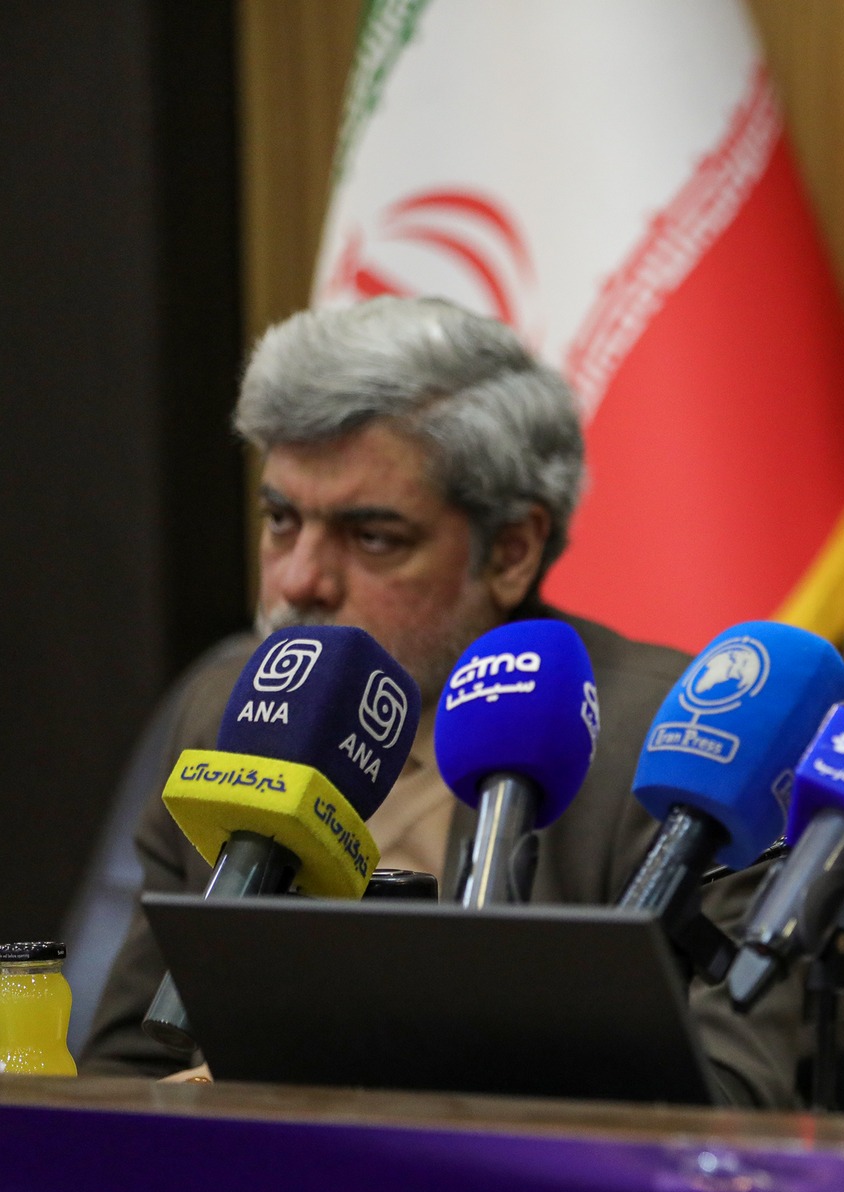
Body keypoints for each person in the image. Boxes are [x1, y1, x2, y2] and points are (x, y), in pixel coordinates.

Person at [81, 297, 802, 1108]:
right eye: (281, 519)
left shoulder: (687, 744)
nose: (299, 579)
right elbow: (122, 1068)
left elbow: (739, 1099)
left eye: (372, 537)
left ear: (512, 550)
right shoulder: (229, 712)